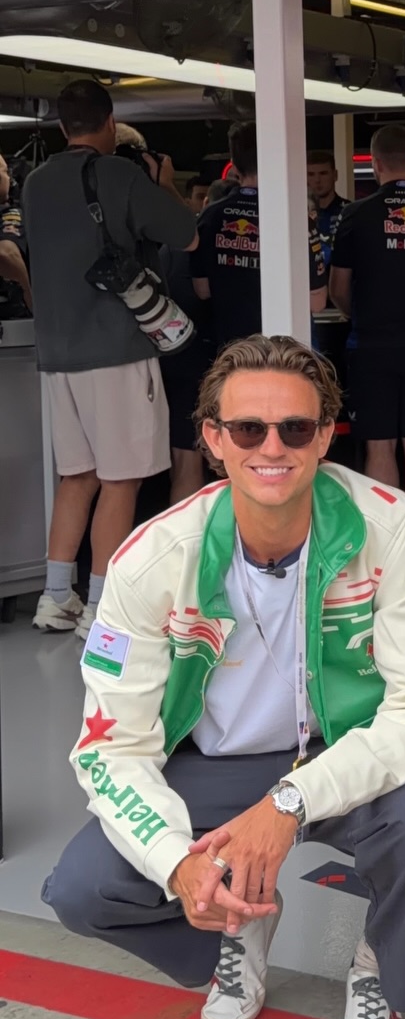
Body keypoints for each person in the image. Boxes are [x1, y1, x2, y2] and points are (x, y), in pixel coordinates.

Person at [43, 334, 405, 1019]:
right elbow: (110, 748)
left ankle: (376, 965)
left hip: (341, 752)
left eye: (295, 428)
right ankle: (232, 923)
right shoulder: (152, 558)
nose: (271, 448)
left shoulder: (392, 526)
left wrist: (289, 801)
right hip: (216, 767)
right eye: (247, 429)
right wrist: (180, 864)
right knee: (84, 888)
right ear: (213, 439)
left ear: (326, 436)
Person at [22, 79, 197, 638]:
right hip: (116, 349)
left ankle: (56, 597)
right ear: (110, 121)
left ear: (60, 126)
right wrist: (162, 185)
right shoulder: (119, 175)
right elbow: (187, 235)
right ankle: (102, 607)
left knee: (78, 476)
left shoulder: (34, 182)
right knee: (121, 480)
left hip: (57, 354)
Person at [328, 125, 405, 519]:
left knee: (379, 445)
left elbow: (338, 287)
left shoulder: (356, 215)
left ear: (375, 163)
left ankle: (387, 538)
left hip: (372, 343)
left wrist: (358, 312)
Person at [192, 122, 328, 353]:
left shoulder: (210, 216)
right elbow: (317, 301)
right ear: (274, 160)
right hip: (284, 352)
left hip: (232, 351)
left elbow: (202, 289)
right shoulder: (296, 217)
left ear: (235, 167)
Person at [0, 149, 32, 316]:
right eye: (5, 172)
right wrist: (31, 305)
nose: (9, 178)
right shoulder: (9, 214)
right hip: (12, 318)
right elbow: (6, 254)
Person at [307, 150, 349, 270]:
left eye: (323, 173)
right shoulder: (297, 215)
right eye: (311, 174)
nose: (317, 180)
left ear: (335, 175)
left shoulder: (349, 211)